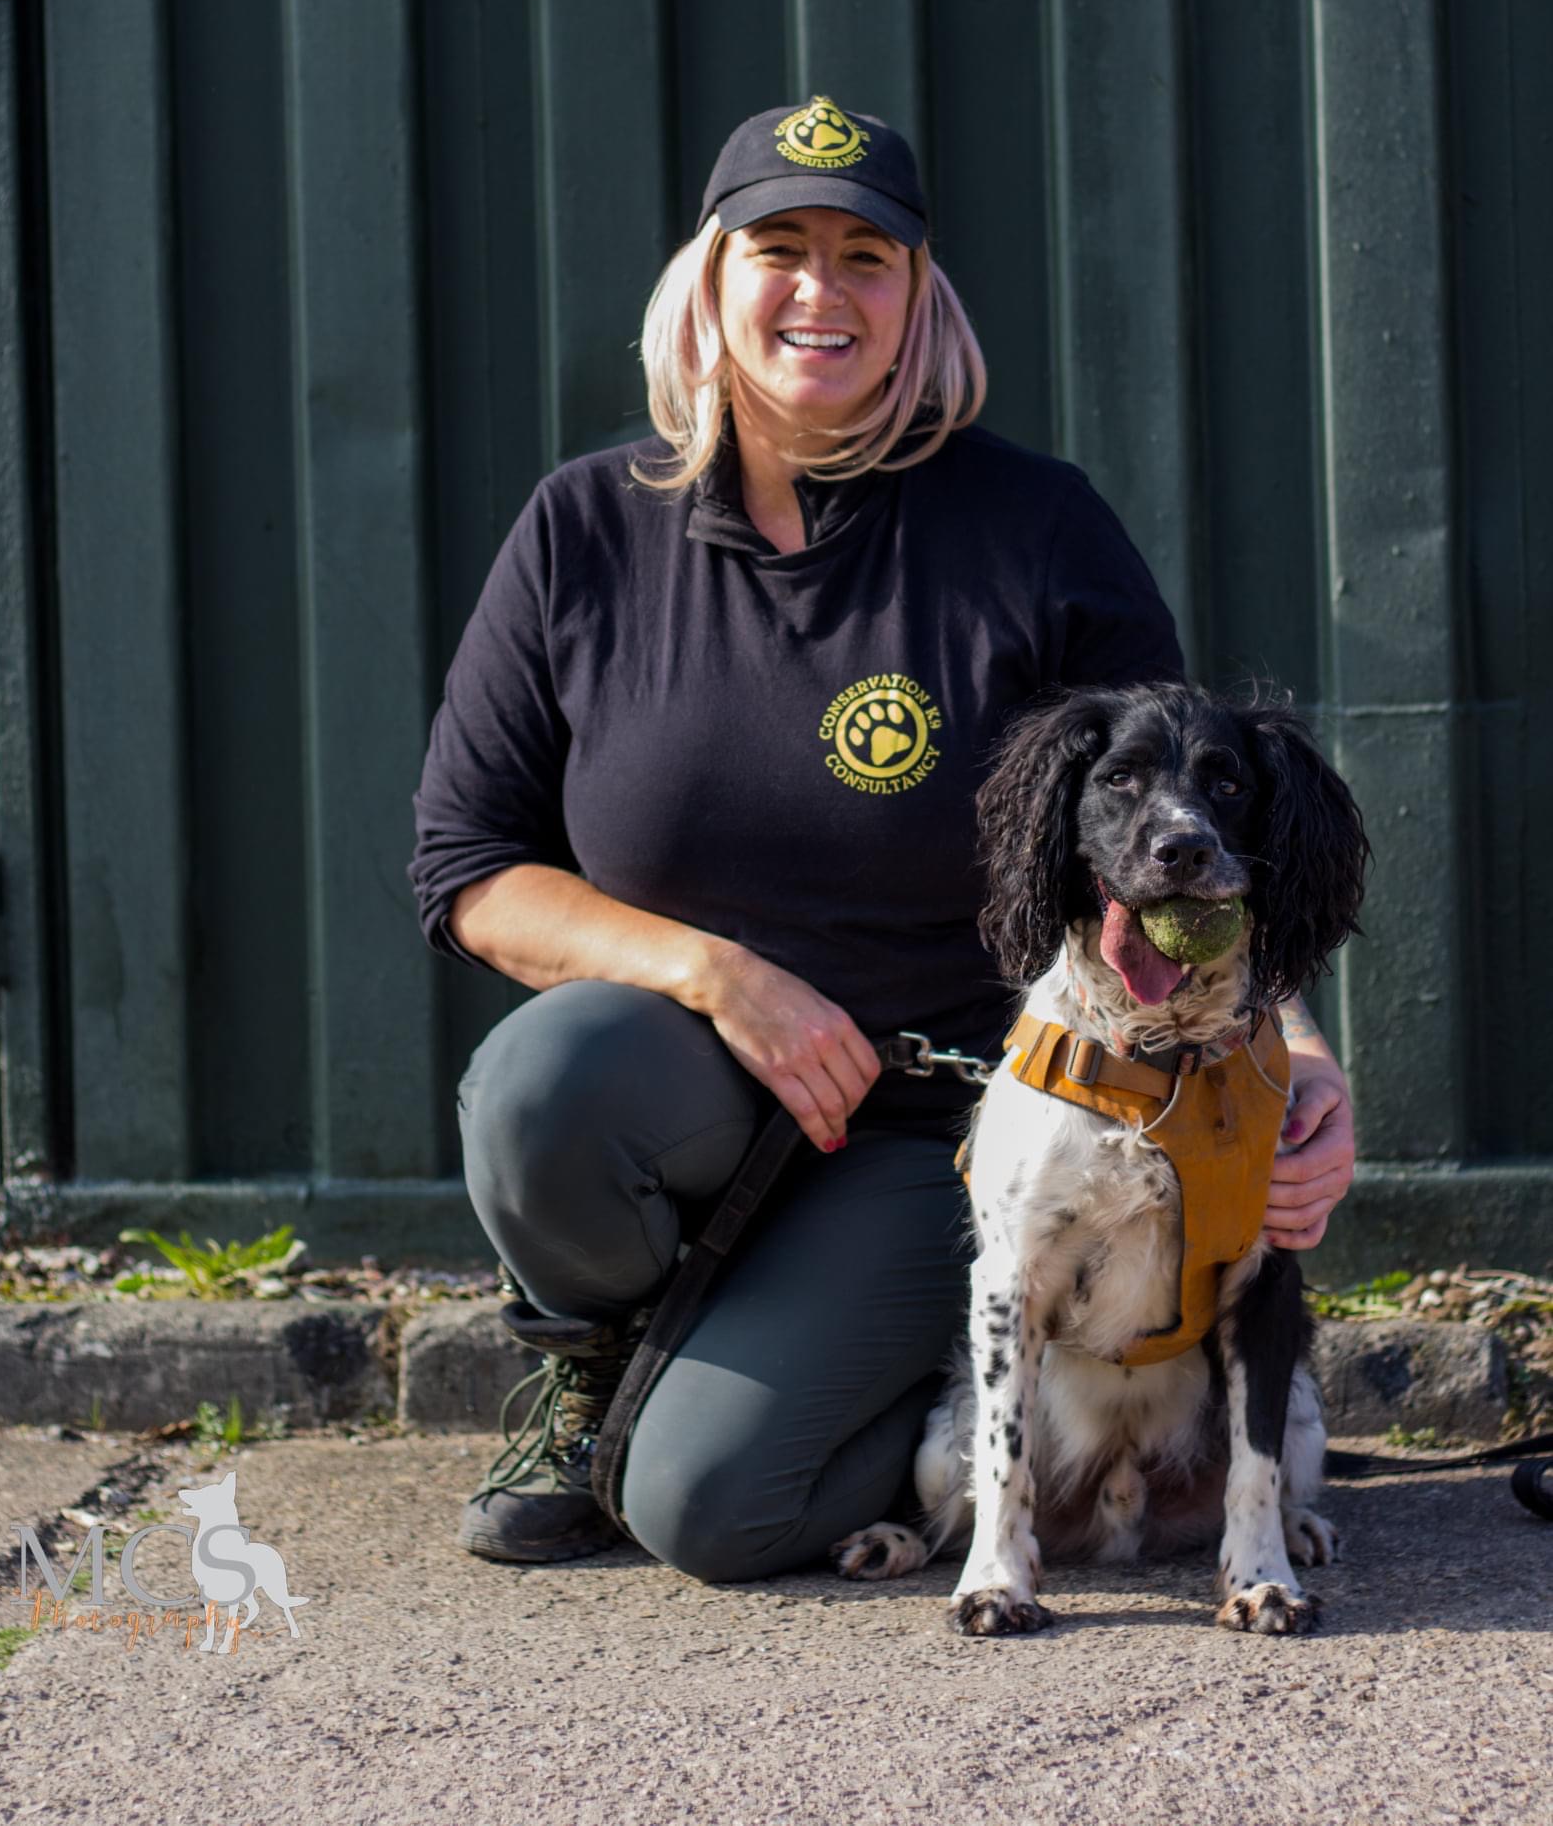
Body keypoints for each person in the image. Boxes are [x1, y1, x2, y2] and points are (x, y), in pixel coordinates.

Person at [407, 95, 1356, 1582]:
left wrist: (1291, 1054)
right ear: (707, 282)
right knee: (542, 1082)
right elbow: (468, 867)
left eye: (868, 257)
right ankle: (591, 1363)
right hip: (687, 1084)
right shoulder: (582, 529)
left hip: (949, 1128)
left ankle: (899, 1382)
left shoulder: (1035, 528)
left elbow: (1174, 829)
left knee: (715, 1512)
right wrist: (721, 975)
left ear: (920, 300)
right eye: (778, 248)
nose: (820, 291)